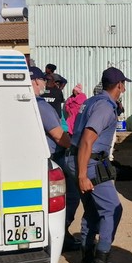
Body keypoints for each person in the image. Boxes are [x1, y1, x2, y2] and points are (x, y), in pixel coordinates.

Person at [67, 67, 131, 263]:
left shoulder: (93, 101)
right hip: (90, 163)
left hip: (81, 160)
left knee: (93, 212)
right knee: (113, 210)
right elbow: (87, 139)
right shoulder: (104, 107)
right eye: (123, 85)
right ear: (120, 85)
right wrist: (83, 175)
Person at [30, 67, 80, 251]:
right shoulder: (41, 105)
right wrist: (76, 148)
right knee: (71, 195)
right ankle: (61, 233)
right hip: (55, 157)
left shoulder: (23, 103)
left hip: (36, 158)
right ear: (35, 81)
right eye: (43, 80)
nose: (45, 83)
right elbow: (59, 136)